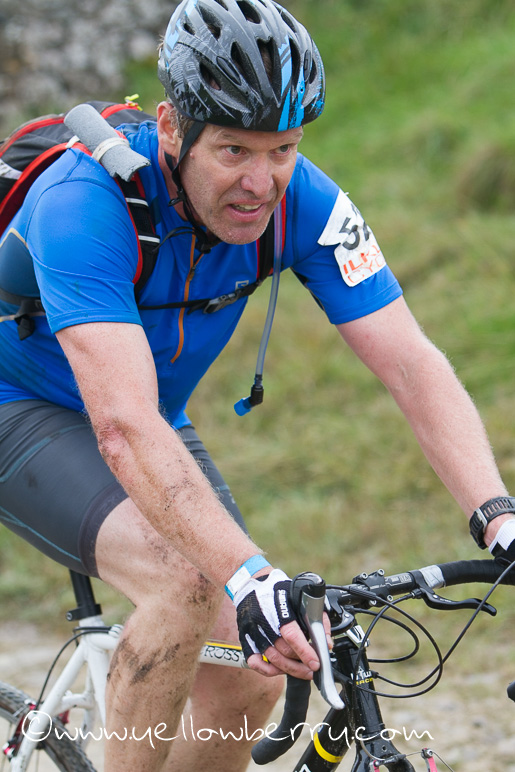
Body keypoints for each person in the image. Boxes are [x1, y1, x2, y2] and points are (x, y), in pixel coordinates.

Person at [0, 0, 514, 770]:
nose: (259, 182)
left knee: (256, 669)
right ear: (171, 128)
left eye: (282, 150)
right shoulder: (82, 204)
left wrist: (496, 516)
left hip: (149, 415)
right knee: (188, 582)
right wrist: (246, 574)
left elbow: (410, 363)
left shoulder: (304, 201)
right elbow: (123, 426)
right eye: (233, 149)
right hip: (22, 406)